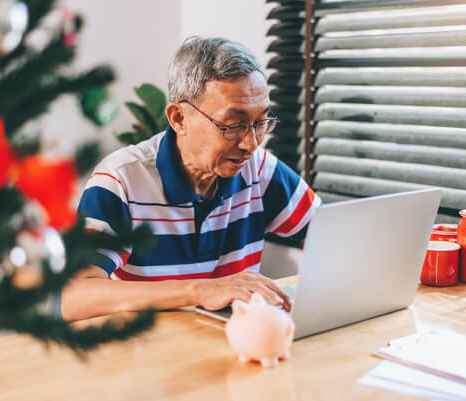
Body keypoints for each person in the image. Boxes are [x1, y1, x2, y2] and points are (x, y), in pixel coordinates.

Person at [61, 37, 321, 321]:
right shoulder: (120, 181)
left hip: (231, 346)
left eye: (261, 122)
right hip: (144, 352)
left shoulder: (259, 171)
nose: (251, 143)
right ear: (178, 118)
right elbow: (73, 296)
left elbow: (329, 233)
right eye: (234, 125)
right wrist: (199, 291)